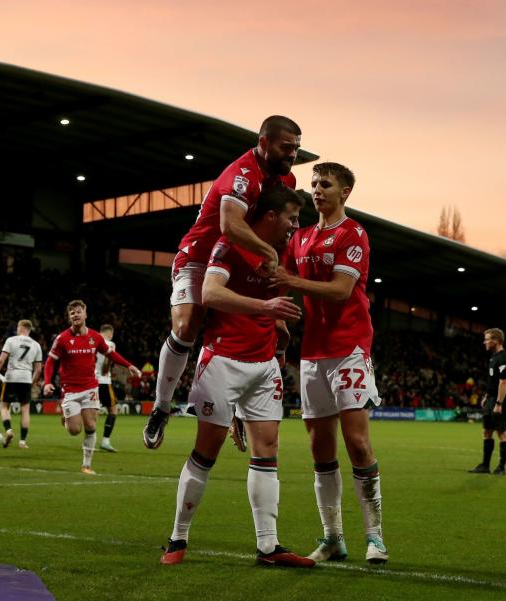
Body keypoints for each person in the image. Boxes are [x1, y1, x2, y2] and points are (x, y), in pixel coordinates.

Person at [161, 184, 312, 567]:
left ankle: (268, 547)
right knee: (204, 455)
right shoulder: (228, 247)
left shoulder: (278, 256)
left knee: (268, 455)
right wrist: (265, 305)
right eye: (292, 218)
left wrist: (278, 335)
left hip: (263, 369)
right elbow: (210, 294)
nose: (296, 226)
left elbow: (276, 312)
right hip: (222, 362)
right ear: (271, 216)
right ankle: (177, 538)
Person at [143, 116, 303, 450]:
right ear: (263, 142)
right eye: (286, 147)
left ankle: (236, 411)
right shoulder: (242, 174)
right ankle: (161, 406)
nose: (292, 154)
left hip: (241, 263)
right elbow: (230, 224)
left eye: (296, 148)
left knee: (267, 335)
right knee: (188, 325)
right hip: (200, 257)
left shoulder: (286, 178)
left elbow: (276, 224)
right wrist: (266, 253)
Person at [270, 162, 387, 565]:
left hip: (350, 347)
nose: (317, 190)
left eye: (326, 184)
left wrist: (290, 283)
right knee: (320, 447)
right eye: (314, 183)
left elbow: (340, 291)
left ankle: (375, 536)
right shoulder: (300, 237)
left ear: (345, 192)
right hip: (313, 353)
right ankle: (333, 537)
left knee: (357, 442)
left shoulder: (353, 233)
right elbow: (276, 274)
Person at [43, 300, 141, 473]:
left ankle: (86, 465)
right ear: (69, 317)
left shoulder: (95, 337)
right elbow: (50, 361)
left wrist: (128, 365)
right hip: (70, 390)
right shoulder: (62, 339)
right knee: (74, 430)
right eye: (72, 313)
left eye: (78, 311)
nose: (75, 314)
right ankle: (66, 419)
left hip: (90, 387)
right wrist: (48, 381)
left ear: (85, 315)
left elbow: (111, 354)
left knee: (91, 426)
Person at [0, 320, 43, 449]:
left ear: (20, 327)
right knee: (25, 410)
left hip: (11, 376)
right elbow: (38, 369)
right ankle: (22, 442)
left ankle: (8, 431)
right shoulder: (36, 345)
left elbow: (1, 360)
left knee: (4, 406)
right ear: (29, 329)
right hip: (26, 378)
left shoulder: (11, 340)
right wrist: (33, 382)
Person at [469, 328, 506, 476]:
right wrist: (487, 396)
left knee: (501, 432)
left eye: (487, 339)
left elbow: (503, 383)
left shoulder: (504, 359)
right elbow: (492, 381)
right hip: (491, 399)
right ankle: (485, 465)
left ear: (496, 341)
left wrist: (499, 403)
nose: (485, 342)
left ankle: (501, 467)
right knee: (487, 431)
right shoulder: (493, 358)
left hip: (500, 400)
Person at [96, 324, 120, 452]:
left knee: (94, 411)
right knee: (113, 409)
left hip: (91, 381)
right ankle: (105, 441)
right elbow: (107, 361)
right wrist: (106, 369)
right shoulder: (110, 343)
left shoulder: (92, 341)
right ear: (109, 334)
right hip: (103, 381)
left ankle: (90, 441)